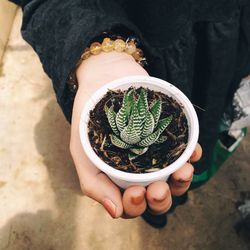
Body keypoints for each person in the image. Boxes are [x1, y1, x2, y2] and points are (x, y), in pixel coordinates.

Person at [10, 0, 250, 228]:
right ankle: (160, 212)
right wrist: (99, 55)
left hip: (223, 30)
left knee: (206, 122)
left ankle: (177, 198)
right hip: (137, 29)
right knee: (158, 190)